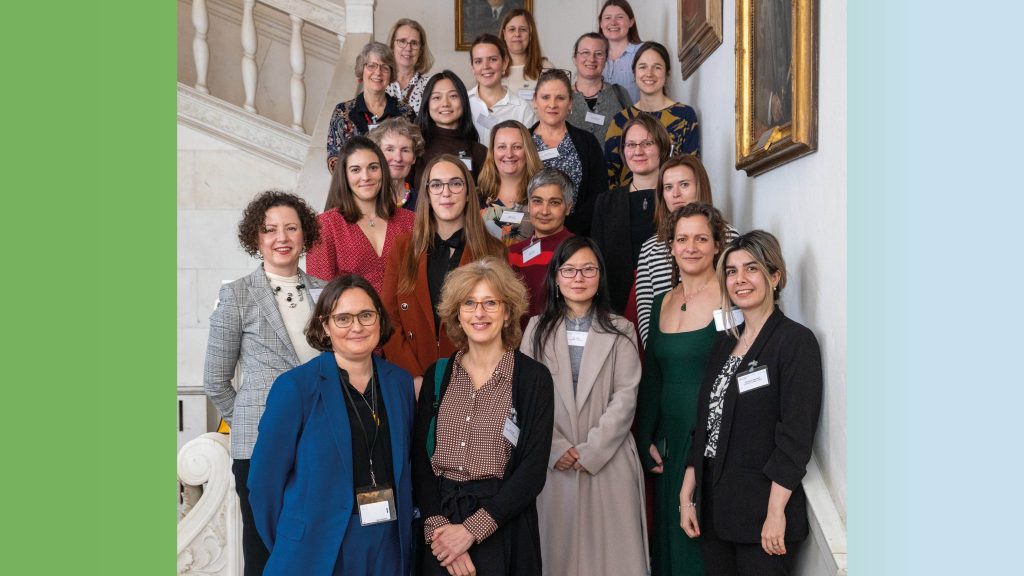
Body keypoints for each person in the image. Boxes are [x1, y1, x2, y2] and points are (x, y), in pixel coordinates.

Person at [248, 275, 416, 575]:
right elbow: (263, 483)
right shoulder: (296, 388)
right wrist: (293, 541)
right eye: (343, 318)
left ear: (379, 319)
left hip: (386, 543)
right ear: (325, 325)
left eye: (366, 315)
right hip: (317, 547)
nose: (357, 327)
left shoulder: (400, 383)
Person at [679, 230, 823, 576]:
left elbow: (795, 438)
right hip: (716, 512)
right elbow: (705, 422)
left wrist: (776, 514)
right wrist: (687, 497)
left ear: (775, 277)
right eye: (731, 271)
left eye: (751, 269)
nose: (740, 280)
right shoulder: (724, 342)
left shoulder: (794, 342)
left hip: (762, 518)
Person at [203, 190, 325, 576]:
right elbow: (215, 380)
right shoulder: (236, 295)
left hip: (320, 440)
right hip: (259, 446)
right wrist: (249, 423)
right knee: (264, 551)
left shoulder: (326, 291)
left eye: (291, 228)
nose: (282, 238)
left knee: (317, 545)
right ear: (256, 238)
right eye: (270, 230)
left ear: (304, 234)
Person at [413, 257, 554, 576]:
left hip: (503, 525)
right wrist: (440, 534)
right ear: (457, 314)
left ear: (507, 312)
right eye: (469, 303)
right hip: (441, 525)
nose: (479, 313)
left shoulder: (533, 379)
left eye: (491, 302)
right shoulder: (438, 375)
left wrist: (470, 532)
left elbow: (532, 471)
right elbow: (420, 461)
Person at [522, 236, 649, 576]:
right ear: (556, 278)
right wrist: (555, 446)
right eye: (570, 269)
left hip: (608, 459)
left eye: (588, 269)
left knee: (613, 561)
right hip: (551, 462)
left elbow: (625, 397)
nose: (578, 278)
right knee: (554, 559)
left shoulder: (622, 329)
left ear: (600, 276)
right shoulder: (535, 331)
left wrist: (592, 449)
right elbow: (525, 398)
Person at [635, 202, 731, 576]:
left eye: (702, 239)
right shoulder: (662, 301)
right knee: (671, 548)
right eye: (682, 239)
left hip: (711, 439)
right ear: (671, 246)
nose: (691, 247)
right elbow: (653, 376)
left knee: (702, 550)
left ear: (717, 245)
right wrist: (646, 437)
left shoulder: (731, 298)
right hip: (669, 445)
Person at [381, 154, 506, 390]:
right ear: (427, 193)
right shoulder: (403, 247)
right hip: (412, 381)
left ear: (469, 193)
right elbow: (388, 317)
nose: (445, 193)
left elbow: (500, 321)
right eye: (436, 184)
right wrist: (414, 377)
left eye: (455, 183)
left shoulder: (494, 251)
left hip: (473, 380)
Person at [307, 137, 415, 292]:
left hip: (405, 315)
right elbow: (320, 294)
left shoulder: (411, 221)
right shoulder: (324, 225)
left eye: (373, 168)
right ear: (344, 175)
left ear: (383, 171)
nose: (366, 177)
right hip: (352, 315)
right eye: (355, 170)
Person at [591, 114, 671, 314]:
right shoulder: (605, 202)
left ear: (661, 148)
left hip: (669, 298)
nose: (638, 151)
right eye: (631, 144)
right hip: (617, 305)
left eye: (647, 143)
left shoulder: (675, 197)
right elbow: (597, 260)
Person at [635, 155, 716, 346]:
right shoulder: (649, 248)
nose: (675, 194)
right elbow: (647, 317)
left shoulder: (727, 236)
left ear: (700, 187)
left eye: (684, 185)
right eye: (668, 187)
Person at [604, 41, 701, 188]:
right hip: (627, 204)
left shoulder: (685, 115)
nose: (649, 74)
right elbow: (610, 174)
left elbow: (692, 170)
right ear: (634, 72)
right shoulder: (620, 120)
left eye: (657, 67)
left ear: (666, 73)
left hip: (671, 204)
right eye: (643, 67)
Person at [529, 68, 609, 237]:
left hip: (576, 237)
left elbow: (598, 195)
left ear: (570, 103)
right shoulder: (522, 141)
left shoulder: (587, 143)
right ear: (535, 100)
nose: (552, 104)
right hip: (528, 234)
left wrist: (567, 230)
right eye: (545, 97)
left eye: (560, 98)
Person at [327, 42, 415, 173]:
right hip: (358, 187)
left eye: (385, 67)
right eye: (371, 66)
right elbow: (334, 159)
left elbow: (415, 153)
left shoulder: (405, 112)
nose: (378, 72)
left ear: (391, 74)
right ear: (361, 70)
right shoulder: (343, 111)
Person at [508, 168, 575, 322]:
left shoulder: (577, 251)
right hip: (519, 341)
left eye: (554, 202)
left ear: (568, 207)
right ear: (529, 205)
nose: (544, 211)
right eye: (537, 201)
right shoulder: (513, 253)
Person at [478, 119, 543, 245]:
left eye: (517, 147)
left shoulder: (542, 197)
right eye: (502, 147)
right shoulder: (477, 197)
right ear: (492, 152)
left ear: (528, 151)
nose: (509, 154)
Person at [415, 71, 488, 182]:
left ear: (463, 101)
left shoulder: (480, 152)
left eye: (453, 96)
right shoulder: (415, 148)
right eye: (437, 97)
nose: (445, 104)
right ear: (427, 103)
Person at [468, 34, 538, 147]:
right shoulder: (462, 103)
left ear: (504, 63)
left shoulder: (522, 109)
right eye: (478, 61)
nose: (485, 66)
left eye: (492, 59)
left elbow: (530, 153)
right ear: (472, 67)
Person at [567, 32, 633, 143]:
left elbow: (632, 134)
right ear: (575, 59)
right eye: (585, 53)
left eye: (598, 54)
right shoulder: (562, 96)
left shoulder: (620, 94)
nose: (591, 59)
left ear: (606, 59)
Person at [366, 117, 426, 210]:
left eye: (405, 150)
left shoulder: (423, 204)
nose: (398, 158)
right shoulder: (363, 200)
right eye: (390, 149)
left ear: (414, 157)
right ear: (376, 154)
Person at [385, 19, 434, 113]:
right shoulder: (380, 82)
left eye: (414, 43)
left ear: (420, 50)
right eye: (402, 41)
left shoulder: (431, 86)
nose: (408, 48)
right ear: (392, 46)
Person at [499, 8, 551, 96]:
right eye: (512, 29)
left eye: (523, 29)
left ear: (530, 35)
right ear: (504, 34)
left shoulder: (546, 68)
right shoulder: (494, 68)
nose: (517, 34)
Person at [598, 0, 642, 103]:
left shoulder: (643, 52)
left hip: (635, 118)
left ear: (631, 22)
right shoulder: (594, 57)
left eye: (620, 17)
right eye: (607, 18)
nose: (613, 22)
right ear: (601, 23)